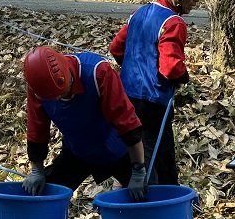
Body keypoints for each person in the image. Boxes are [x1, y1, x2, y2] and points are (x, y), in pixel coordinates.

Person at [109, 0, 204, 186]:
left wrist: (133, 66)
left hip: (126, 96)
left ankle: (164, 194)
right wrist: (183, 76)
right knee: (153, 157)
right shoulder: (173, 23)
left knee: (147, 152)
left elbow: (116, 48)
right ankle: (153, 203)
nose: (196, 0)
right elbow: (170, 67)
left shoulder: (140, 13)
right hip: (153, 103)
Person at [22, 46, 148, 201]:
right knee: (45, 195)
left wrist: (138, 169)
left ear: (67, 75)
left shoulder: (98, 72)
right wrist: (37, 170)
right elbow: (37, 128)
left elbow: (127, 123)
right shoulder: (37, 87)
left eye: (61, 94)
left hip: (120, 149)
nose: (56, 100)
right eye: (51, 97)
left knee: (149, 196)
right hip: (78, 150)